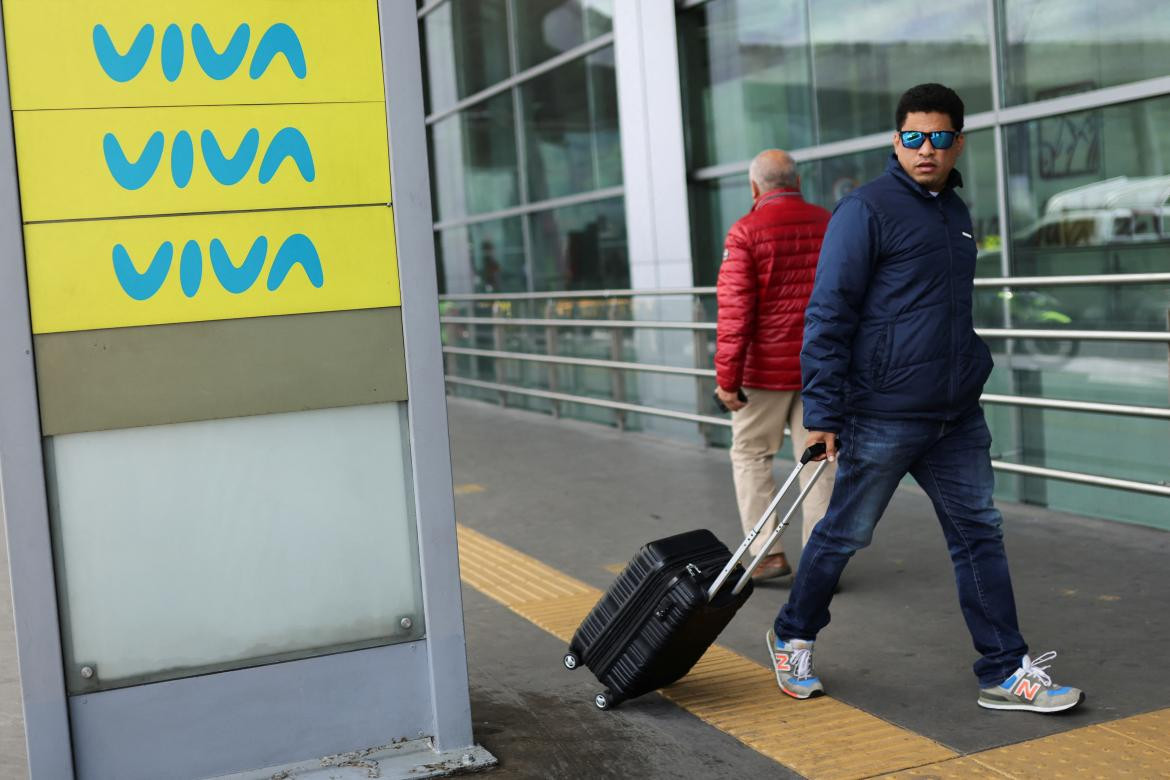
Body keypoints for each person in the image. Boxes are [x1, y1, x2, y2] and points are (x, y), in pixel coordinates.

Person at [766, 83, 1084, 713]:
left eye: (939, 138)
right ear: (896, 140)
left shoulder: (955, 213)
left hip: (955, 414)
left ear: (958, 142)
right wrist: (823, 414)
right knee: (844, 534)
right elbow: (829, 314)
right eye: (913, 137)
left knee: (979, 533)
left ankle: (1003, 669)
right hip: (883, 412)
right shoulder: (866, 210)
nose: (926, 150)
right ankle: (792, 634)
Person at [715, 149, 838, 581]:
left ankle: (766, 554)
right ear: (797, 183)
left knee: (751, 454)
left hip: (764, 375)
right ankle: (823, 562)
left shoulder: (746, 232)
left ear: (754, 188)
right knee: (821, 459)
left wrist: (727, 380)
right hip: (821, 370)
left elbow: (734, 313)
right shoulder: (829, 224)